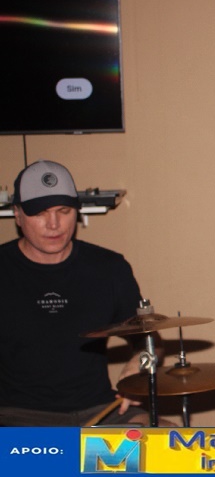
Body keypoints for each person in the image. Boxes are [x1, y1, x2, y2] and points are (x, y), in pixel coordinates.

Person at [0, 160, 156, 426]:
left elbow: (150, 340)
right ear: (17, 214)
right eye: (40, 213)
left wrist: (140, 363)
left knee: (163, 441)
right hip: (18, 416)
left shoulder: (109, 268)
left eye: (64, 211)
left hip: (101, 409)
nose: (54, 224)